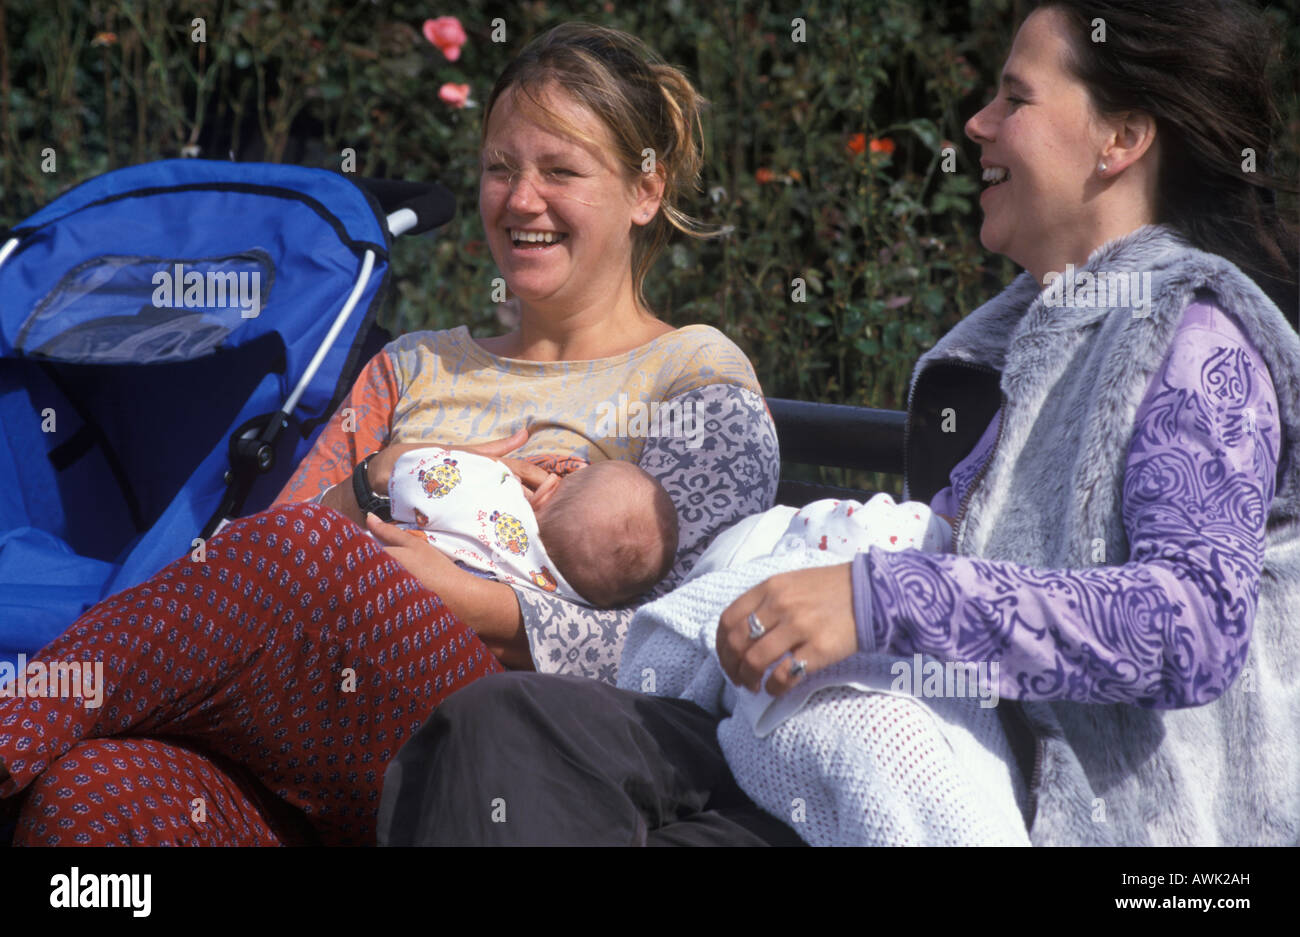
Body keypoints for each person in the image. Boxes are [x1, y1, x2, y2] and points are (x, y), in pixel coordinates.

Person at [383, 0, 1300, 846]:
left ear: (1123, 138)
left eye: (1014, 98)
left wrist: (875, 599)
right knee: (505, 726)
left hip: (1035, 810)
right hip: (867, 739)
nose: (976, 124)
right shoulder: (1039, 343)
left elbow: (1194, 623)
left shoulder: (1198, 342)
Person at [0, 23, 777, 846]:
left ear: (644, 191)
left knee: (313, 561)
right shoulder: (412, 365)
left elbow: (698, 648)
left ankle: (14, 726)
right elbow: (259, 557)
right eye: (500, 168)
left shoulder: (693, 375)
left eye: (561, 171)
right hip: (324, 738)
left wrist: (481, 605)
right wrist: (384, 470)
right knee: (92, 799)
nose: (520, 200)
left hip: (505, 733)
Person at [383, 446, 678, 609]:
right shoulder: (564, 605)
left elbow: (413, 473)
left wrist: (492, 468)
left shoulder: (493, 489)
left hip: (378, 560)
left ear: (548, 490)